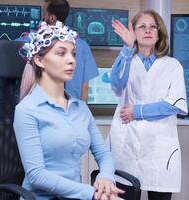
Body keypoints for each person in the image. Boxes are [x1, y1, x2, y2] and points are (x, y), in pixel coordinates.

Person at [14, 21, 124, 200]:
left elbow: (104, 154)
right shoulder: (26, 110)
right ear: (39, 60)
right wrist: (93, 194)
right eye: (61, 53)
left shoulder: (81, 108)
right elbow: (36, 175)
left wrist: (106, 177)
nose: (71, 59)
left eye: (73, 54)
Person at [109, 10, 188, 200]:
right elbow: (117, 84)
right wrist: (128, 49)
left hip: (158, 148)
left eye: (153, 26)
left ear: (159, 33)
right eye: (142, 27)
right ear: (133, 33)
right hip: (126, 145)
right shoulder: (126, 60)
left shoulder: (172, 65)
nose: (148, 30)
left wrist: (138, 111)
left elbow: (175, 104)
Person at [17, 0, 99, 100]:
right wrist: (81, 112)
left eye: (44, 13)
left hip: (41, 106)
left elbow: (8, 46)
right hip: (71, 109)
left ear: (52, 18)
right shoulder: (83, 46)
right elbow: (85, 89)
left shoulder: (33, 41)